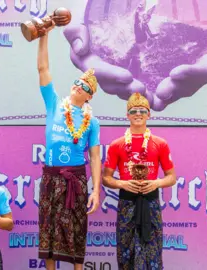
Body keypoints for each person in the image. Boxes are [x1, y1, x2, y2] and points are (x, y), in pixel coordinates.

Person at [36, 23, 102, 270]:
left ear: (89, 96)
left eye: (85, 86)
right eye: (77, 81)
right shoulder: (54, 104)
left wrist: (96, 191)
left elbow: (95, 158)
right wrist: (44, 37)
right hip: (51, 176)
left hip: (76, 179)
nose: (79, 86)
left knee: (75, 230)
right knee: (48, 229)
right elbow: (43, 68)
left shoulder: (91, 121)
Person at [103, 93, 177, 269]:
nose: (138, 114)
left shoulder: (160, 144)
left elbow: (172, 177)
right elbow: (106, 178)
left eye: (142, 111)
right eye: (133, 111)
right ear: (127, 115)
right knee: (125, 252)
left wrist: (156, 183)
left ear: (149, 114)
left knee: (152, 253)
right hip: (126, 203)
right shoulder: (116, 145)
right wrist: (122, 183)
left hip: (150, 204)